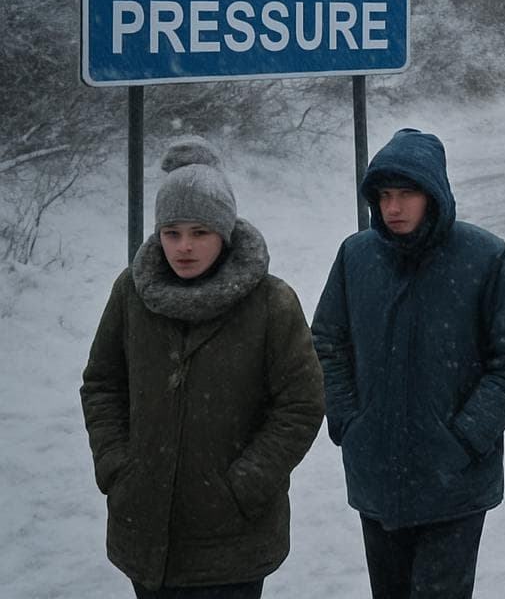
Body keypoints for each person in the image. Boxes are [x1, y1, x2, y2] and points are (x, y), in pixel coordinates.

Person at [81, 137, 325, 598]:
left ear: (225, 234)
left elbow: (301, 403)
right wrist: (116, 466)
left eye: (199, 232)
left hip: (233, 536)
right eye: (172, 233)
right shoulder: (131, 294)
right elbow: (103, 384)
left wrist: (247, 482)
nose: (184, 247)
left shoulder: (271, 302)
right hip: (144, 527)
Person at [312, 128, 505, 599]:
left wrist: (465, 436)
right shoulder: (356, 257)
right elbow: (327, 342)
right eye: (384, 196)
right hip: (377, 478)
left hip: (454, 485)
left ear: (433, 194)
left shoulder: (485, 259)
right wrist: (351, 422)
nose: (393, 208)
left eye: (406, 194)